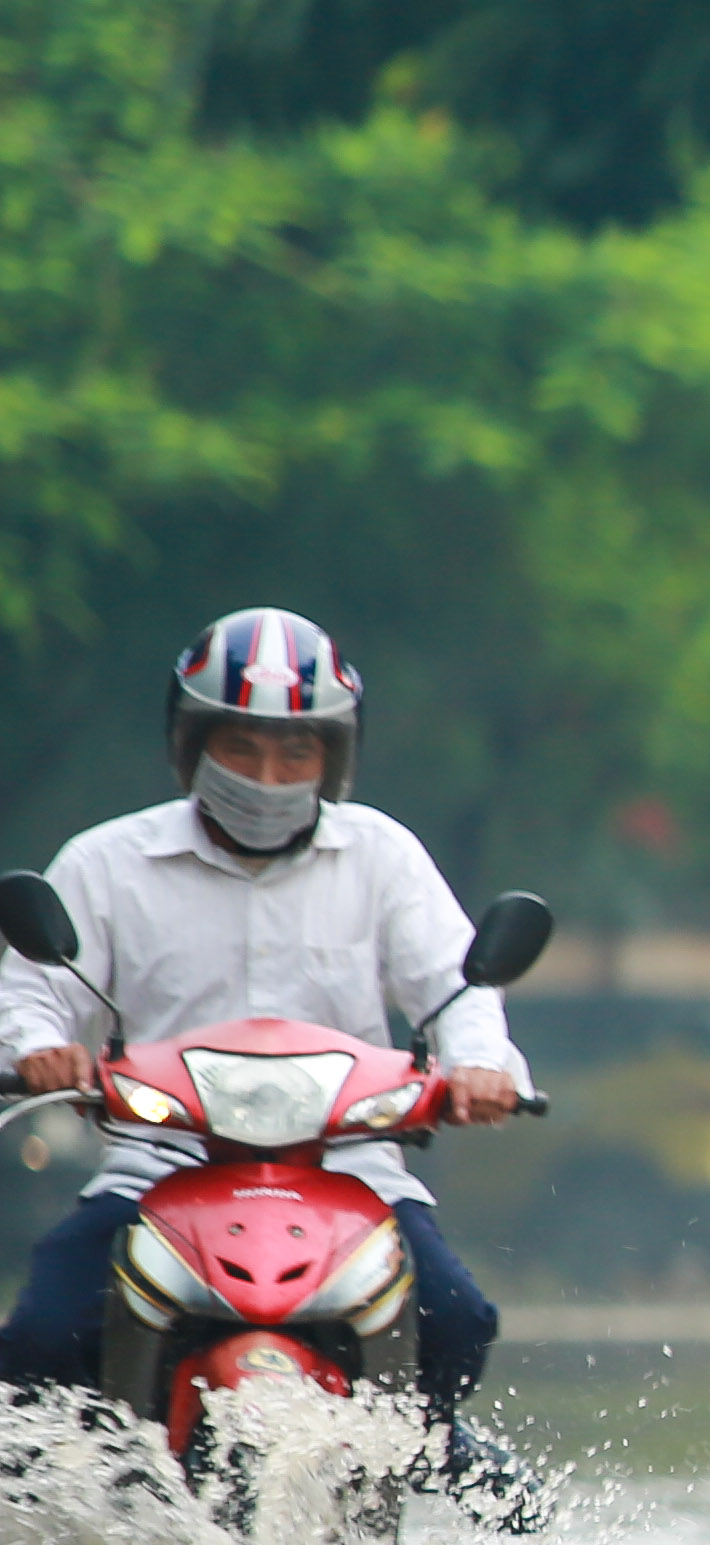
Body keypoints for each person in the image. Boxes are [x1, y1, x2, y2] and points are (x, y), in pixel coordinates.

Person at [0, 608, 526, 1441]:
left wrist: (480, 1069)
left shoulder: (383, 857)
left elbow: (456, 987)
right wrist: (38, 1051)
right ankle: (77, 1496)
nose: (268, 773)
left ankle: (413, 1459)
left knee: (456, 1324)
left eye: (295, 750)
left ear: (333, 756)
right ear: (191, 744)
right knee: (41, 1337)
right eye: (241, 746)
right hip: (158, 1169)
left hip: (352, 1175)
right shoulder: (106, 864)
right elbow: (28, 993)